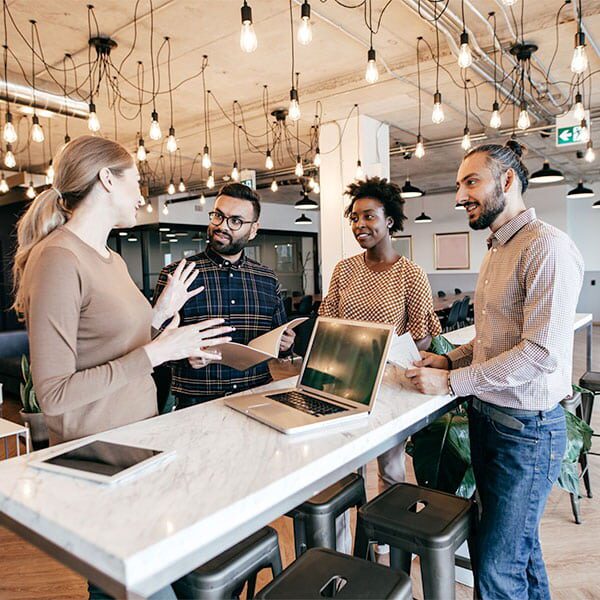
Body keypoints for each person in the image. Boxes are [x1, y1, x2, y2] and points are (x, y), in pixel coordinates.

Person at [12, 135, 234, 600]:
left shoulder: (108, 257)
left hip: (139, 441)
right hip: (97, 457)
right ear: (107, 179)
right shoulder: (57, 258)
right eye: (136, 182)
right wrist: (156, 353)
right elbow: (53, 394)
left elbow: (110, 344)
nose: (141, 195)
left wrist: (163, 332)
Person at [407, 140, 584, 600]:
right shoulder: (496, 249)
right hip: (493, 425)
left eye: (471, 182)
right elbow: (490, 341)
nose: (459, 195)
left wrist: (450, 381)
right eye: (458, 184)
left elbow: (538, 354)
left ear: (507, 181)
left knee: (496, 567)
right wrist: (449, 359)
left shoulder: (547, 247)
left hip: (526, 434)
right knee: (517, 553)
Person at [319, 176, 441, 553]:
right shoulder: (344, 269)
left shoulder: (411, 274)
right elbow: (327, 322)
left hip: (390, 385)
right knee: (343, 471)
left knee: (390, 469)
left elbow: (423, 337)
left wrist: (383, 347)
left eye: (369, 216)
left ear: (390, 220)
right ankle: (340, 550)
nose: (360, 226)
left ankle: (387, 539)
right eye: (354, 218)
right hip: (343, 382)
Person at [154, 183, 294, 408]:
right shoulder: (176, 275)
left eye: (235, 221)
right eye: (218, 216)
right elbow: (153, 344)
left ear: (253, 229)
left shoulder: (267, 279)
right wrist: (184, 356)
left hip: (257, 396)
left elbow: (278, 339)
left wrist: (285, 344)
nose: (222, 226)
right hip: (196, 403)